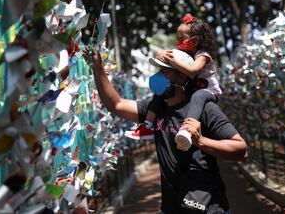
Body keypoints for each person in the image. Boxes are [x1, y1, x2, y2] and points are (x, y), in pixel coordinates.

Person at [83, 45, 247, 214]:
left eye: (166, 71)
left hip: (207, 208)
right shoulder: (156, 109)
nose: (158, 76)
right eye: (159, 70)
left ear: (183, 76)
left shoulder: (205, 109)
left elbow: (241, 149)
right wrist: (98, 68)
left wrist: (201, 140)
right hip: (171, 208)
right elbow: (117, 104)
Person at [126, 14, 222, 152]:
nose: (178, 41)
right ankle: (148, 125)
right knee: (161, 88)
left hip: (208, 91)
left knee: (198, 97)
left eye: (182, 39)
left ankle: (187, 130)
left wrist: (173, 61)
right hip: (192, 88)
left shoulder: (203, 55)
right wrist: (161, 54)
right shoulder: (185, 52)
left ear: (195, 41)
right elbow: (171, 54)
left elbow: (192, 71)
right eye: (177, 38)